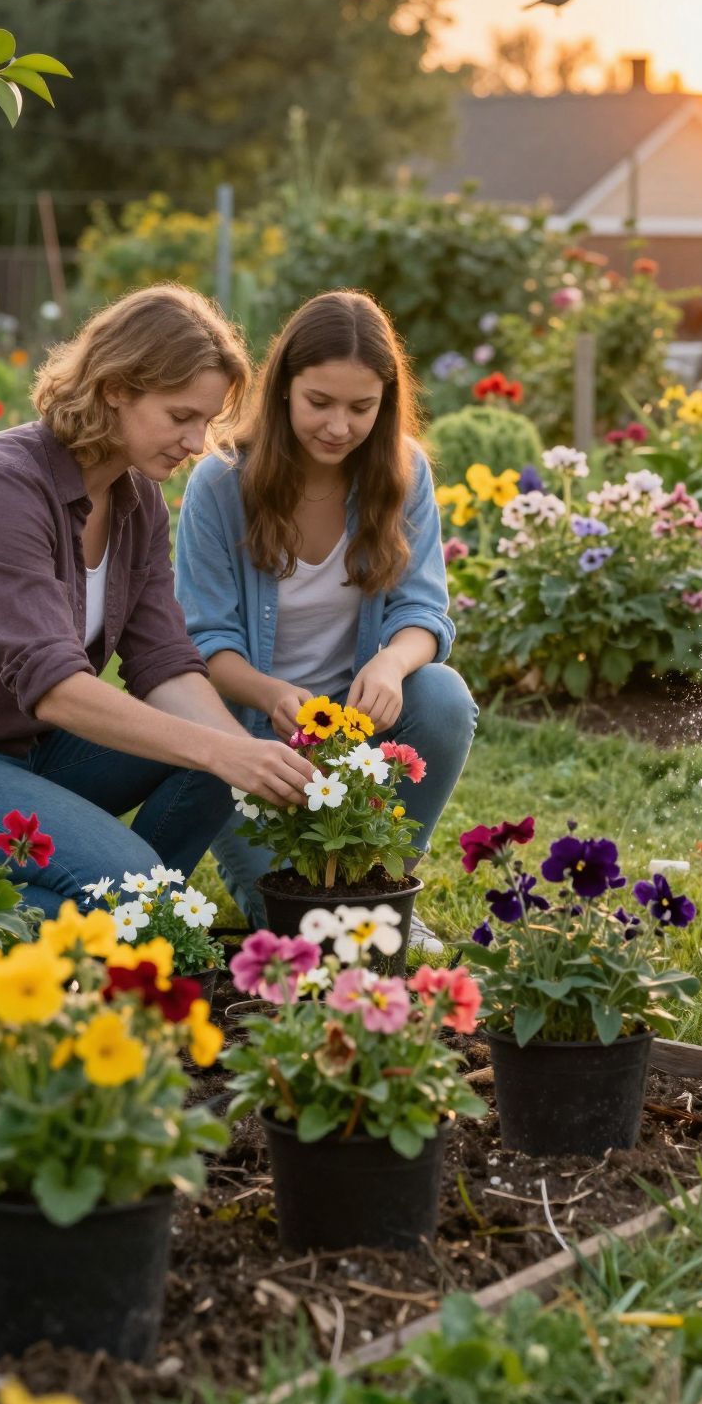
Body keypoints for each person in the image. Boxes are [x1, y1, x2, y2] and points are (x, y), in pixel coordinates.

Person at [0, 286, 316, 915]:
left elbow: (164, 662)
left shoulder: (137, 504)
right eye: (180, 416)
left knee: (223, 728)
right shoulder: (1, 483)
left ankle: (140, 912)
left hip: (34, 753)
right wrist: (223, 750)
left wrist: (243, 756)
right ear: (116, 388)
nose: (197, 442)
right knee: (192, 786)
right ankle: (83, 906)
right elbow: (55, 688)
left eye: (206, 421)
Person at [174, 288, 475, 931]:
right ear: (284, 387)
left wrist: (391, 664)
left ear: (385, 402)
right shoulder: (221, 483)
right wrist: (271, 693)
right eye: (320, 402)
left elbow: (424, 611)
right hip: (250, 737)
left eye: (361, 407)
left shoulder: (402, 473)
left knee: (442, 696)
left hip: (355, 733)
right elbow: (204, 641)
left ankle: (388, 895)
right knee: (294, 919)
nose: (339, 426)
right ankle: (332, 905)